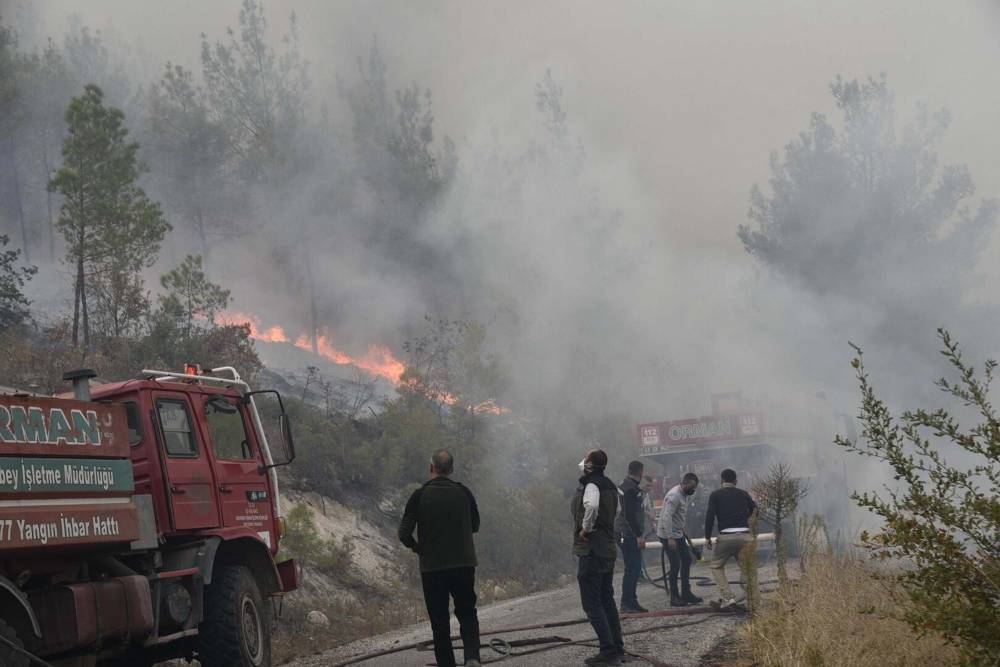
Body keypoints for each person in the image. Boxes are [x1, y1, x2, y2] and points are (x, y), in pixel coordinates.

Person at [399, 450, 482, 667]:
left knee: (439, 621)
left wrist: (417, 547)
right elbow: (475, 526)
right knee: (467, 612)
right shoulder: (464, 492)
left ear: (431, 468)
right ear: (452, 469)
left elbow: (403, 533)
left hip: (433, 568)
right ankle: (472, 658)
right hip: (463, 565)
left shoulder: (419, 495)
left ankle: (447, 664)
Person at [573, 449, 625, 665]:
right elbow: (619, 511)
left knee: (592, 604)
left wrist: (586, 529)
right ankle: (617, 648)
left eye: (587, 459)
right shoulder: (612, 486)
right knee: (607, 600)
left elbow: (592, 506)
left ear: (591, 464)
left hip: (592, 550)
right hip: (608, 549)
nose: (583, 462)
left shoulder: (592, 485)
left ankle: (608, 651)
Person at [704, 468, 757, 609]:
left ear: (721, 480)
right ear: (736, 481)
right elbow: (754, 509)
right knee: (747, 568)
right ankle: (751, 598)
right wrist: (744, 519)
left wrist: (707, 537)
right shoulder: (743, 494)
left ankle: (729, 598)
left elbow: (709, 516)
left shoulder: (715, 495)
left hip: (726, 536)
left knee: (716, 566)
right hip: (745, 536)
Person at [656, 472, 702, 606]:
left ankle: (686, 593)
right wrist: (670, 538)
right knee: (675, 564)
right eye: (691, 487)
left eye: (695, 487)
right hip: (667, 535)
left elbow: (678, 516)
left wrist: (681, 531)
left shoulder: (685, 495)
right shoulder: (674, 495)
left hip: (677, 533)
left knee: (687, 560)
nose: (693, 490)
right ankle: (674, 597)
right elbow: (666, 517)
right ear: (684, 483)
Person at [615, 460, 648, 613]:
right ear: (640, 472)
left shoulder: (624, 485)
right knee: (632, 568)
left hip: (623, 532)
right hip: (627, 533)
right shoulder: (630, 489)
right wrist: (639, 535)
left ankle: (632, 601)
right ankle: (627, 603)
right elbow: (629, 515)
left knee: (634, 567)